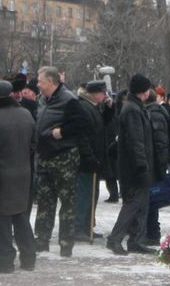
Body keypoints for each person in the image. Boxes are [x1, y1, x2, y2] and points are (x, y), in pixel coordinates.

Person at [0, 80, 36, 273]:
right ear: (11, 95)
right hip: (24, 174)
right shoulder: (26, 115)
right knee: (21, 216)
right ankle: (28, 257)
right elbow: (34, 145)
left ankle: (5, 259)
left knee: (0, 218)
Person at [33, 66, 89, 257]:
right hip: (45, 156)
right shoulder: (41, 99)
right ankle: (41, 240)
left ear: (50, 81)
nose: (37, 84)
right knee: (44, 201)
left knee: (67, 203)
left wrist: (62, 132)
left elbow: (82, 123)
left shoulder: (69, 99)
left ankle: (66, 243)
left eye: (40, 81)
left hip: (64, 157)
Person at [106, 74, 156, 255]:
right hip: (134, 167)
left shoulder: (134, 107)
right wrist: (142, 165)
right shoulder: (132, 109)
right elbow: (136, 141)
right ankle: (115, 238)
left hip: (135, 165)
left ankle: (135, 240)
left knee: (142, 203)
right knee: (133, 203)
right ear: (144, 91)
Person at [74, 80, 112, 241]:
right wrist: (90, 157)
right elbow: (83, 137)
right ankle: (78, 228)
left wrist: (110, 108)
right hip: (86, 162)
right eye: (103, 93)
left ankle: (87, 226)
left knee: (92, 195)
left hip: (94, 159)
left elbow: (104, 124)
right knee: (84, 195)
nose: (105, 96)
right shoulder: (84, 107)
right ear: (95, 93)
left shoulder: (93, 107)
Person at [144, 88, 170, 244]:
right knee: (150, 199)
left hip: (154, 163)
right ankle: (151, 231)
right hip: (153, 162)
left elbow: (160, 143)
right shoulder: (153, 112)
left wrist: (161, 166)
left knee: (152, 199)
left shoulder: (155, 115)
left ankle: (153, 232)